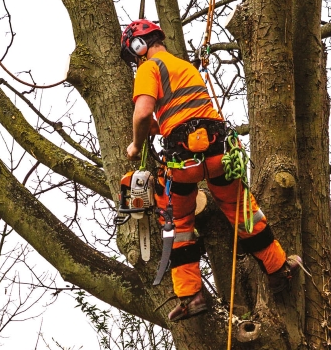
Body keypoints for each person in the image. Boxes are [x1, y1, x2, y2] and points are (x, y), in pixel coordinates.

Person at [120, 19, 302, 321]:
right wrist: (156, 125)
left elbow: (142, 115)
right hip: (219, 151)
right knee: (243, 210)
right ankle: (278, 269)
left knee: (179, 224)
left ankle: (191, 296)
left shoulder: (148, 69)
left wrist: (136, 145)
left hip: (184, 161)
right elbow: (178, 112)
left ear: (139, 47)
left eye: (134, 53)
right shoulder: (186, 67)